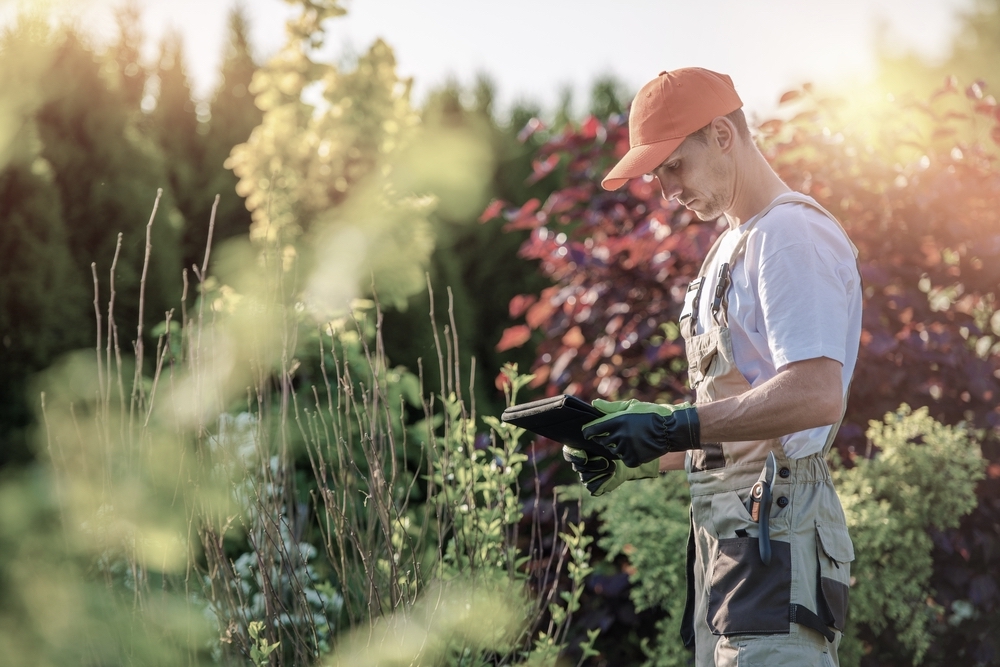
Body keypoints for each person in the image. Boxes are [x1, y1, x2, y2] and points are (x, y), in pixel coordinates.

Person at [563, 67, 862, 666]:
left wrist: (675, 426)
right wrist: (643, 450)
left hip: (776, 538)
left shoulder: (789, 235)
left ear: (723, 135)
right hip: (729, 546)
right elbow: (738, 427)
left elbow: (816, 393)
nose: (667, 190)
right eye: (657, 175)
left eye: (675, 165)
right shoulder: (729, 246)